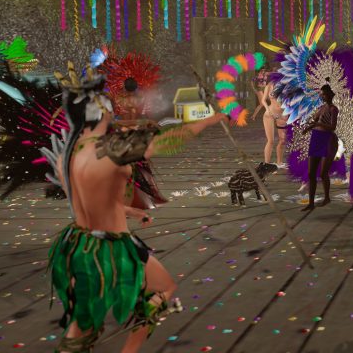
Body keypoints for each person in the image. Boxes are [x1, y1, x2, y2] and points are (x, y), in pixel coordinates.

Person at [47, 66, 227, 352]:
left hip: (79, 246)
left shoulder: (67, 154)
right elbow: (167, 141)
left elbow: (91, 200)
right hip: (112, 248)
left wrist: (133, 212)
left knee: (82, 324)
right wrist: (210, 120)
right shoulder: (111, 149)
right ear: (102, 112)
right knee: (163, 289)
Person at [302, 84, 339, 211]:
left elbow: (333, 127)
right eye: (321, 94)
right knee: (311, 173)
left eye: (324, 94)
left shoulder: (333, 109)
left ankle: (327, 197)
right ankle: (311, 203)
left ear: (329, 94)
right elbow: (315, 121)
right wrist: (309, 127)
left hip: (328, 139)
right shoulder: (321, 107)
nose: (322, 96)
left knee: (323, 173)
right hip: (316, 139)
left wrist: (317, 124)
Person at [261, 72, 287, 168]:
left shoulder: (286, 86)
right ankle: (266, 164)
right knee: (270, 140)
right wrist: (267, 109)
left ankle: (279, 162)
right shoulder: (269, 86)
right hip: (270, 114)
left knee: (283, 139)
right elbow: (263, 100)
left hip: (281, 114)